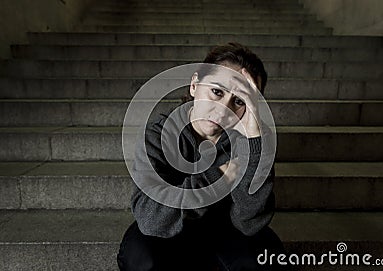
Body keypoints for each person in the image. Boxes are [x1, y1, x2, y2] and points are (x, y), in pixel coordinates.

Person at [118, 42, 285, 271]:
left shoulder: (253, 140)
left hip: (227, 231)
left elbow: (250, 222)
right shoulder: (157, 134)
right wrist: (216, 176)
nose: (223, 109)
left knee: (267, 257)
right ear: (195, 85)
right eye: (217, 92)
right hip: (172, 232)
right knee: (140, 258)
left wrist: (254, 143)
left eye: (238, 101)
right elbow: (150, 218)